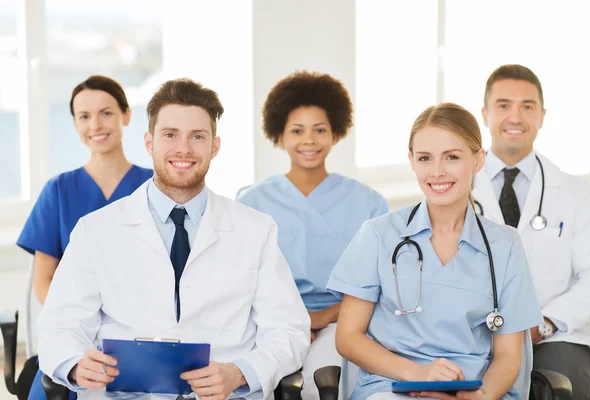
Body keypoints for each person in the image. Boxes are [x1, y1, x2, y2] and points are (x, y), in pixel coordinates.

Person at [37, 78, 311, 400]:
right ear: (150, 142)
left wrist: (240, 373)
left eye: (197, 136)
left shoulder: (256, 231)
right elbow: (58, 325)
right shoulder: (94, 230)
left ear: (215, 146)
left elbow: (289, 330)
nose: (184, 148)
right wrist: (74, 365)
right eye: (170, 135)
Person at [327, 103, 542, 399]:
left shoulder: (504, 246)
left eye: (452, 157)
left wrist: (480, 396)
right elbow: (349, 338)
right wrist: (418, 375)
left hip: (474, 390)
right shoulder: (378, 235)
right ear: (412, 162)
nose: (437, 172)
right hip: (392, 388)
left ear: (478, 160)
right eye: (425, 158)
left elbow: (507, 356)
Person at [237, 71, 388, 398]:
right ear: (279, 135)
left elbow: (379, 282)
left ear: (336, 133)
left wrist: (324, 317)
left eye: (320, 130)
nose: (309, 140)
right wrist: (292, 320)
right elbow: (241, 280)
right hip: (272, 322)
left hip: (344, 321)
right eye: (296, 130)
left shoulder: (369, 203)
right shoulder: (251, 203)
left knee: (328, 382)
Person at [17, 75, 154, 400]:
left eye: (106, 112)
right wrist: (80, 322)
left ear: (126, 115)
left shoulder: (155, 187)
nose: (96, 124)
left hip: (143, 333)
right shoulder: (59, 192)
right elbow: (43, 283)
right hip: (76, 334)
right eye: (84, 116)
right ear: (75, 124)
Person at [473, 64, 590, 399]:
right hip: (475, 334)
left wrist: (544, 324)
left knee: (563, 386)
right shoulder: (457, 187)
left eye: (527, 107)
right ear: (485, 113)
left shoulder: (575, 193)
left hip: (556, 334)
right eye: (503, 105)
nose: (515, 117)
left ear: (542, 116)